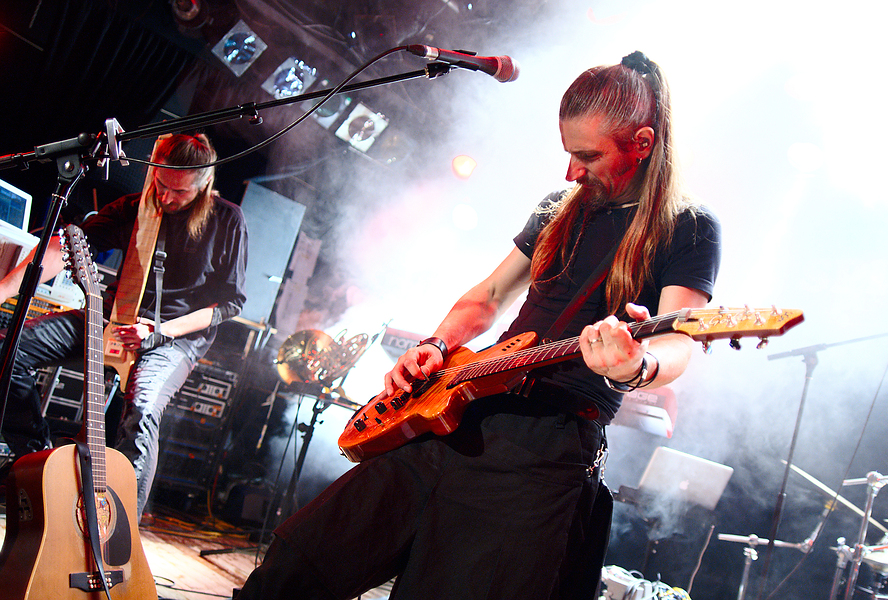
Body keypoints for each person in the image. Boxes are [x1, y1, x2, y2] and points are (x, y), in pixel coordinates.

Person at [236, 50, 721, 600]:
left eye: (588, 155)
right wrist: (438, 344)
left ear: (643, 142)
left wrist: (637, 366)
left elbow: (679, 342)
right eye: (568, 153)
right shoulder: (559, 207)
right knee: (298, 566)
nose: (572, 172)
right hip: (462, 410)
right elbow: (488, 296)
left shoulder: (687, 226)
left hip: (544, 454)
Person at [0, 132, 248, 516]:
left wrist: (159, 332)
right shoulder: (134, 206)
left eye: (179, 192)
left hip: (174, 336)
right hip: (113, 316)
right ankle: (43, 467)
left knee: (143, 409)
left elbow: (229, 303)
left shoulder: (227, 219)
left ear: (204, 184)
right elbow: (65, 247)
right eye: (160, 184)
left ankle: (120, 528)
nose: (165, 198)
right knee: (8, 352)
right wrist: (5, 289)